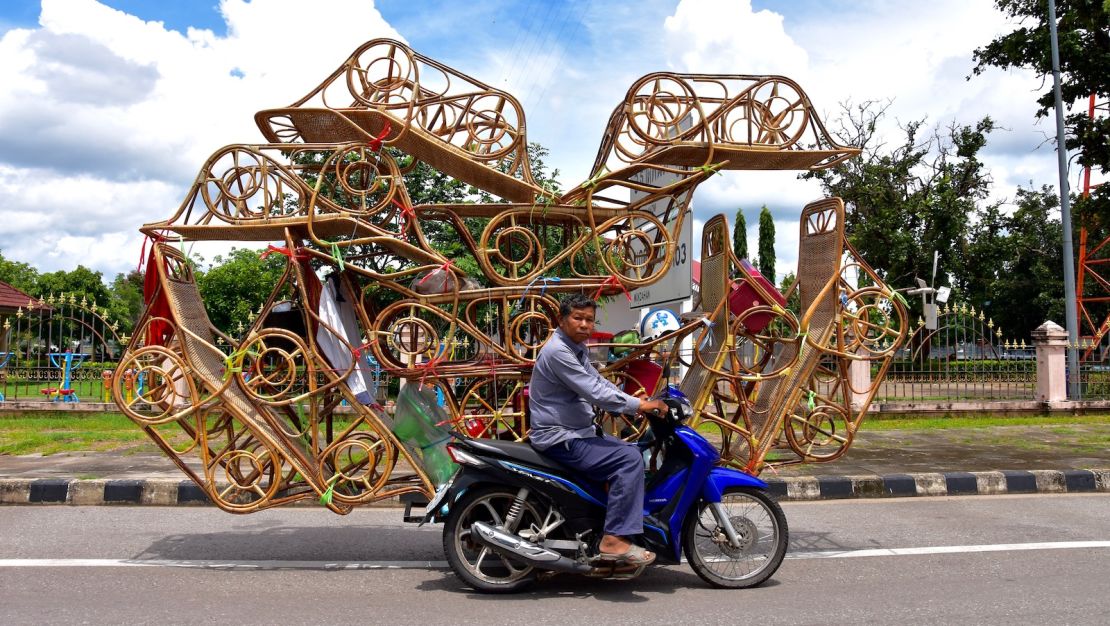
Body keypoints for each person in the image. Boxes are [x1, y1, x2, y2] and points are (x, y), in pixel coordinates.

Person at [529, 294, 667, 566]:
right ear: (562, 319)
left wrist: (632, 402)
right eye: (577, 318)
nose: (584, 324)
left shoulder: (575, 349)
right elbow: (593, 391)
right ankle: (613, 539)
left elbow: (599, 384)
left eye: (589, 320)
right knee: (628, 461)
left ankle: (606, 522)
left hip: (577, 432)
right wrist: (639, 405)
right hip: (561, 437)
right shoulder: (558, 351)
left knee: (630, 449)